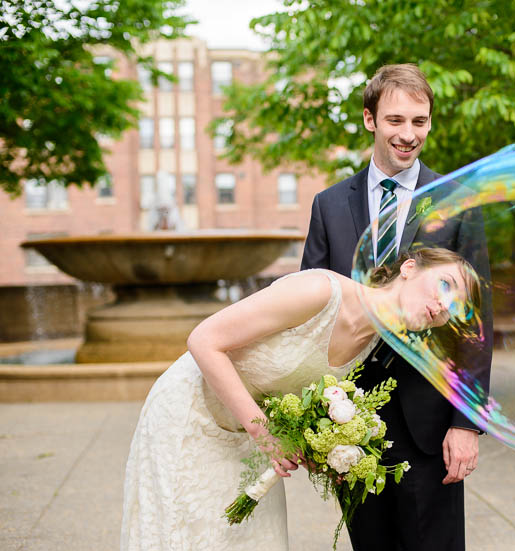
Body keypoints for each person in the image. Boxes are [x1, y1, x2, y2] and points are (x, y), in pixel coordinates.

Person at [120, 248, 479, 551]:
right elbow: (203, 340)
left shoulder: (371, 343)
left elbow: (291, 393)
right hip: (190, 417)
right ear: (409, 268)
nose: (441, 305)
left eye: (453, 307)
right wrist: (264, 433)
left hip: (246, 436)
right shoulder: (319, 292)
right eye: (444, 285)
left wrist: (322, 449)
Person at [301, 63, 493, 551]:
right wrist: (310, 416)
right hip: (349, 422)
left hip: (429, 421)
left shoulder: (458, 202)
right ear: (370, 119)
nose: (408, 135)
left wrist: (465, 423)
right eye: (395, 120)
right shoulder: (328, 205)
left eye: (419, 122)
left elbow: (477, 324)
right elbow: (310, 313)